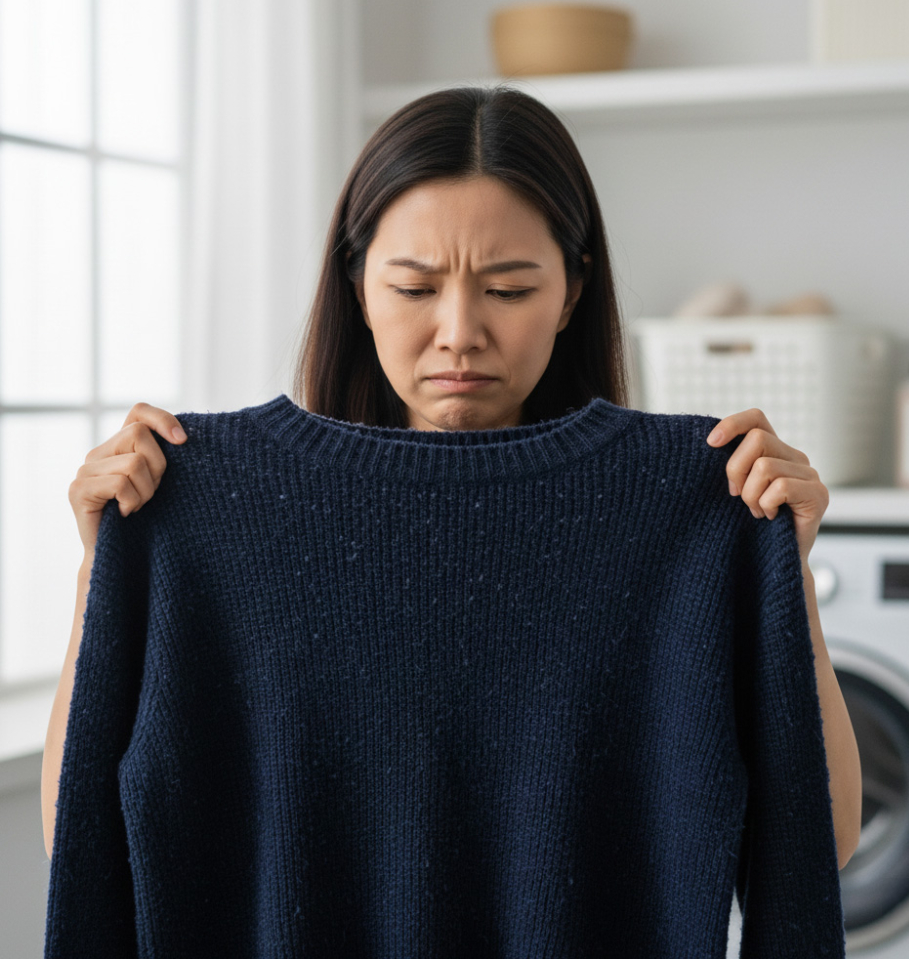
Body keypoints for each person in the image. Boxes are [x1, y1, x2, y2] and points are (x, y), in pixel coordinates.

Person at [42, 82, 860, 943]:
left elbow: (822, 841)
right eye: (414, 287)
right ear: (358, 287)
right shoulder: (215, 510)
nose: (460, 330)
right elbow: (83, 838)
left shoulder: (685, 515)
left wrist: (783, 571)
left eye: (508, 290)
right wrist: (107, 568)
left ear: (573, 292)